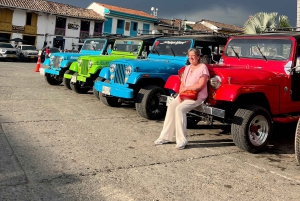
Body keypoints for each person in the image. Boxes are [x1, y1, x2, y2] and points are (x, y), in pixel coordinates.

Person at [154, 48, 209, 150]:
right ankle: (165, 137)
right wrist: (181, 93)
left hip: (197, 96)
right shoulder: (187, 68)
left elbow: (201, 85)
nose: (191, 58)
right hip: (185, 94)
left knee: (180, 109)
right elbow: (183, 83)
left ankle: (182, 141)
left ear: (198, 57)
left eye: (193, 56)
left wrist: (186, 89)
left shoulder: (203, 68)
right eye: (189, 56)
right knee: (171, 106)